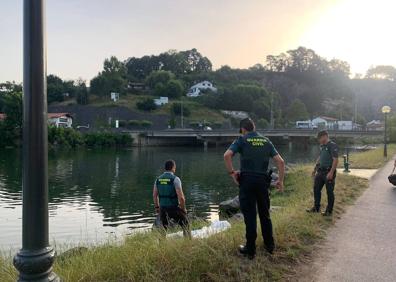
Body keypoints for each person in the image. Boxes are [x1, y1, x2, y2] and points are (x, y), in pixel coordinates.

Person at [224, 118, 285, 259]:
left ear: (243, 129)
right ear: (254, 127)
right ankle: (269, 246)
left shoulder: (242, 140)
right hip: (263, 182)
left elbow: (227, 155)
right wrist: (280, 181)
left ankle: (250, 249)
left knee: (250, 215)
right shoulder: (266, 141)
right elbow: (281, 162)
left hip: (247, 182)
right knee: (265, 214)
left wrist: (232, 173)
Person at [153, 160, 190, 237]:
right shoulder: (175, 179)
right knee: (186, 224)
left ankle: (161, 245)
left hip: (163, 209)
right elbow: (181, 198)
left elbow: (154, 195)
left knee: (163, 229)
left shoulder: (158, 179)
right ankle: (188, 242)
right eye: (175, 168)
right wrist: (183, 209)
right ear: (173, 168)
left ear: (165, 168)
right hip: (173, 208)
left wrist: (157, 207)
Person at [307, 130, 339, 216]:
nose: (319, 140)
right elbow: (320, 157)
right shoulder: (322, 146)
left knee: (329, 191)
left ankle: (329, 211)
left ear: (325, 136)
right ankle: (316, 208)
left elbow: (335, 160)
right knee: (316, 189)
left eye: (319, 138)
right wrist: (314, 170)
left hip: (328, 171)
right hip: (320, 171)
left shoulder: (332, 145)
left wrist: (331, 172)